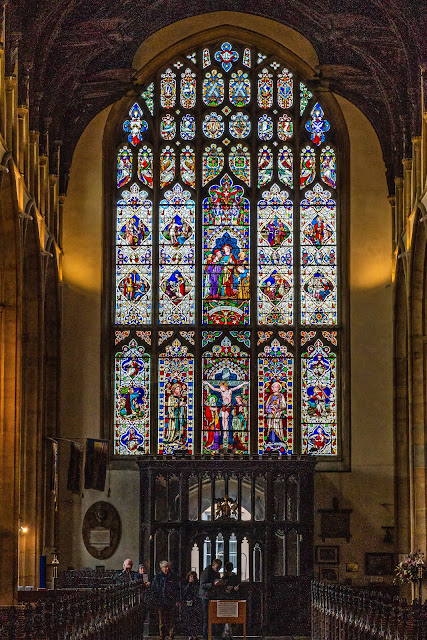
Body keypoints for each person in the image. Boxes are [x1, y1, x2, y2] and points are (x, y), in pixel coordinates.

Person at [150, 560, 181, 640]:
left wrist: (177, 600)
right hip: (161, 601)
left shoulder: (173, 576)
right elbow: (154, 590)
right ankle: (162, 635)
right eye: (165, 567)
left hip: (171, 601)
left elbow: (177, 589)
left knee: (171, 619)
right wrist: (155, 601)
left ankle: (171, 635)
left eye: (167, 567)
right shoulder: (157, 577)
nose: (166, 569)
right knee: (161, 620)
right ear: (161, 568)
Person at [199, 558, 225, 640]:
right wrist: (213, 584)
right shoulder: (206, 572)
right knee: (206, 617)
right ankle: (205, 636)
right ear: (213, 566)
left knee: (213, 617)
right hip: (205, 597)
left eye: (219, 568)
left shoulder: (216, 573)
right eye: (217, 568)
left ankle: (213, 635)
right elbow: (202, 585)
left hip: (213, 597)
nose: (218, 569)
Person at [221, 562, 240, 639]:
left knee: (228, 616)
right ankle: (228, 632)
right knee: (229, 616)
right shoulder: (234, 577)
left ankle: (227, 632)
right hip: (230, 597)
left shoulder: (225, 577)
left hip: (229, 597)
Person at [182, 570, 202, 640]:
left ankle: (195, 634)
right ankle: (190, 634)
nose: (192, 578)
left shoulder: (197, 584)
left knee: (195, 619)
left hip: (195, 603)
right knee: (189, 619)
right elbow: (184, 593)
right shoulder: (186, 584)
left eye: (193, 577)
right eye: (190, 576)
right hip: (189, 602)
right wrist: (189, 584)